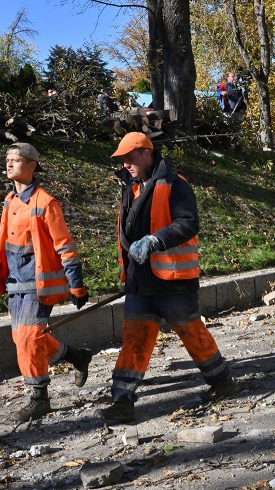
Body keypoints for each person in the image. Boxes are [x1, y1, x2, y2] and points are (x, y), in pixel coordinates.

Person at [97, 132, 234, 424]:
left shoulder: (175, 184)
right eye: (122, 160)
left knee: (191, 333)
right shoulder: (131, 187)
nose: (126, 164)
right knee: (134, 339)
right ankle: (122, 400)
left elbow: (188, 223)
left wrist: (154, 241)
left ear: (147, 153)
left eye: (130, 158)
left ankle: (221, 381)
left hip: (173, 281)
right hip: (141, 281)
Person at [0, 143, 93, 422]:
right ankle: (76, 356)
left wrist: (76, 284)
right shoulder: (10, 201)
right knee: (25, 338)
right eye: (8, 160)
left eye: (16, 160)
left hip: (38, 285)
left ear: (32, 166)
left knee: (28, 340)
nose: (10, 164)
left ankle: (39, 398)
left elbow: (65, 246)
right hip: (15, 283)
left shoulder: (46, 203)